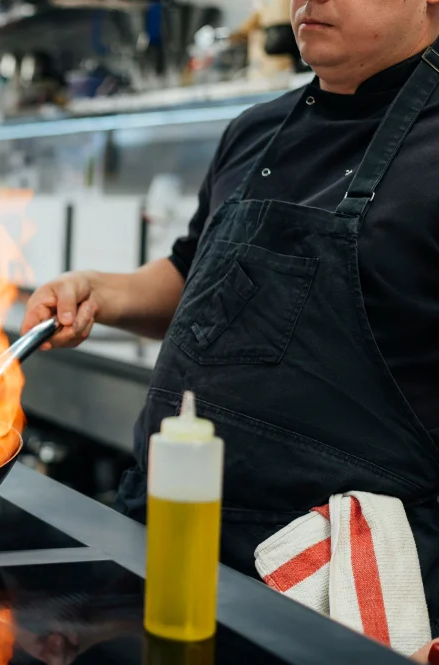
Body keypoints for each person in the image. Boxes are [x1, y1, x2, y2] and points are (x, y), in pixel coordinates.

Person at [22, 0, 439, 640]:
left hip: (335, 582)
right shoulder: (255, 130)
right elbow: (195, 278)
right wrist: (99, 291)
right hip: (162, 533)